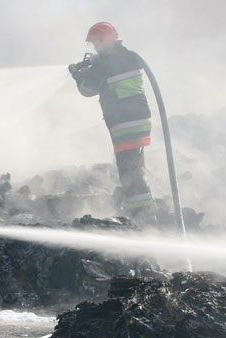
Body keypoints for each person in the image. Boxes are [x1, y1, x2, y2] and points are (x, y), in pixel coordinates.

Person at [68, 22, 156, 224]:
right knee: (136, 167)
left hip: (124, 124)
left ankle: (142, 220)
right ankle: (148, 211)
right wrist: (96, 63)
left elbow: (87, 90)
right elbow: (115, 74)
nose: (95, 48)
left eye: (96, 43)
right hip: (141, 121)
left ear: (103, 40)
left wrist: (77, 74)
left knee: (129, 173)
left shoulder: (105, 63)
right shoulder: (130, 56)